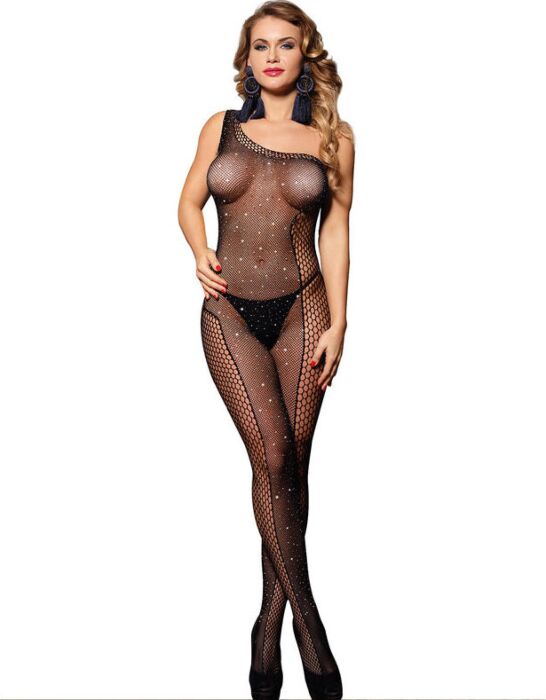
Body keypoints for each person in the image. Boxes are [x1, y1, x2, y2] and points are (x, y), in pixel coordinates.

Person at [178, 2, 354, 698]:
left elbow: (336, 231)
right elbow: (188, 201)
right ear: (246, 59)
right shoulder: (220, 127)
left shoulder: (333, 138)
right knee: (274, 457)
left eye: (285, 44)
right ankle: (309, 626)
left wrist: (341, 323)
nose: (272, 57)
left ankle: (266, 626)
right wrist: (198, 250)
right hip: (230, 312)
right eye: (260, 46)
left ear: (304, 54)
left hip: (306, 312)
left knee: (290, 471)